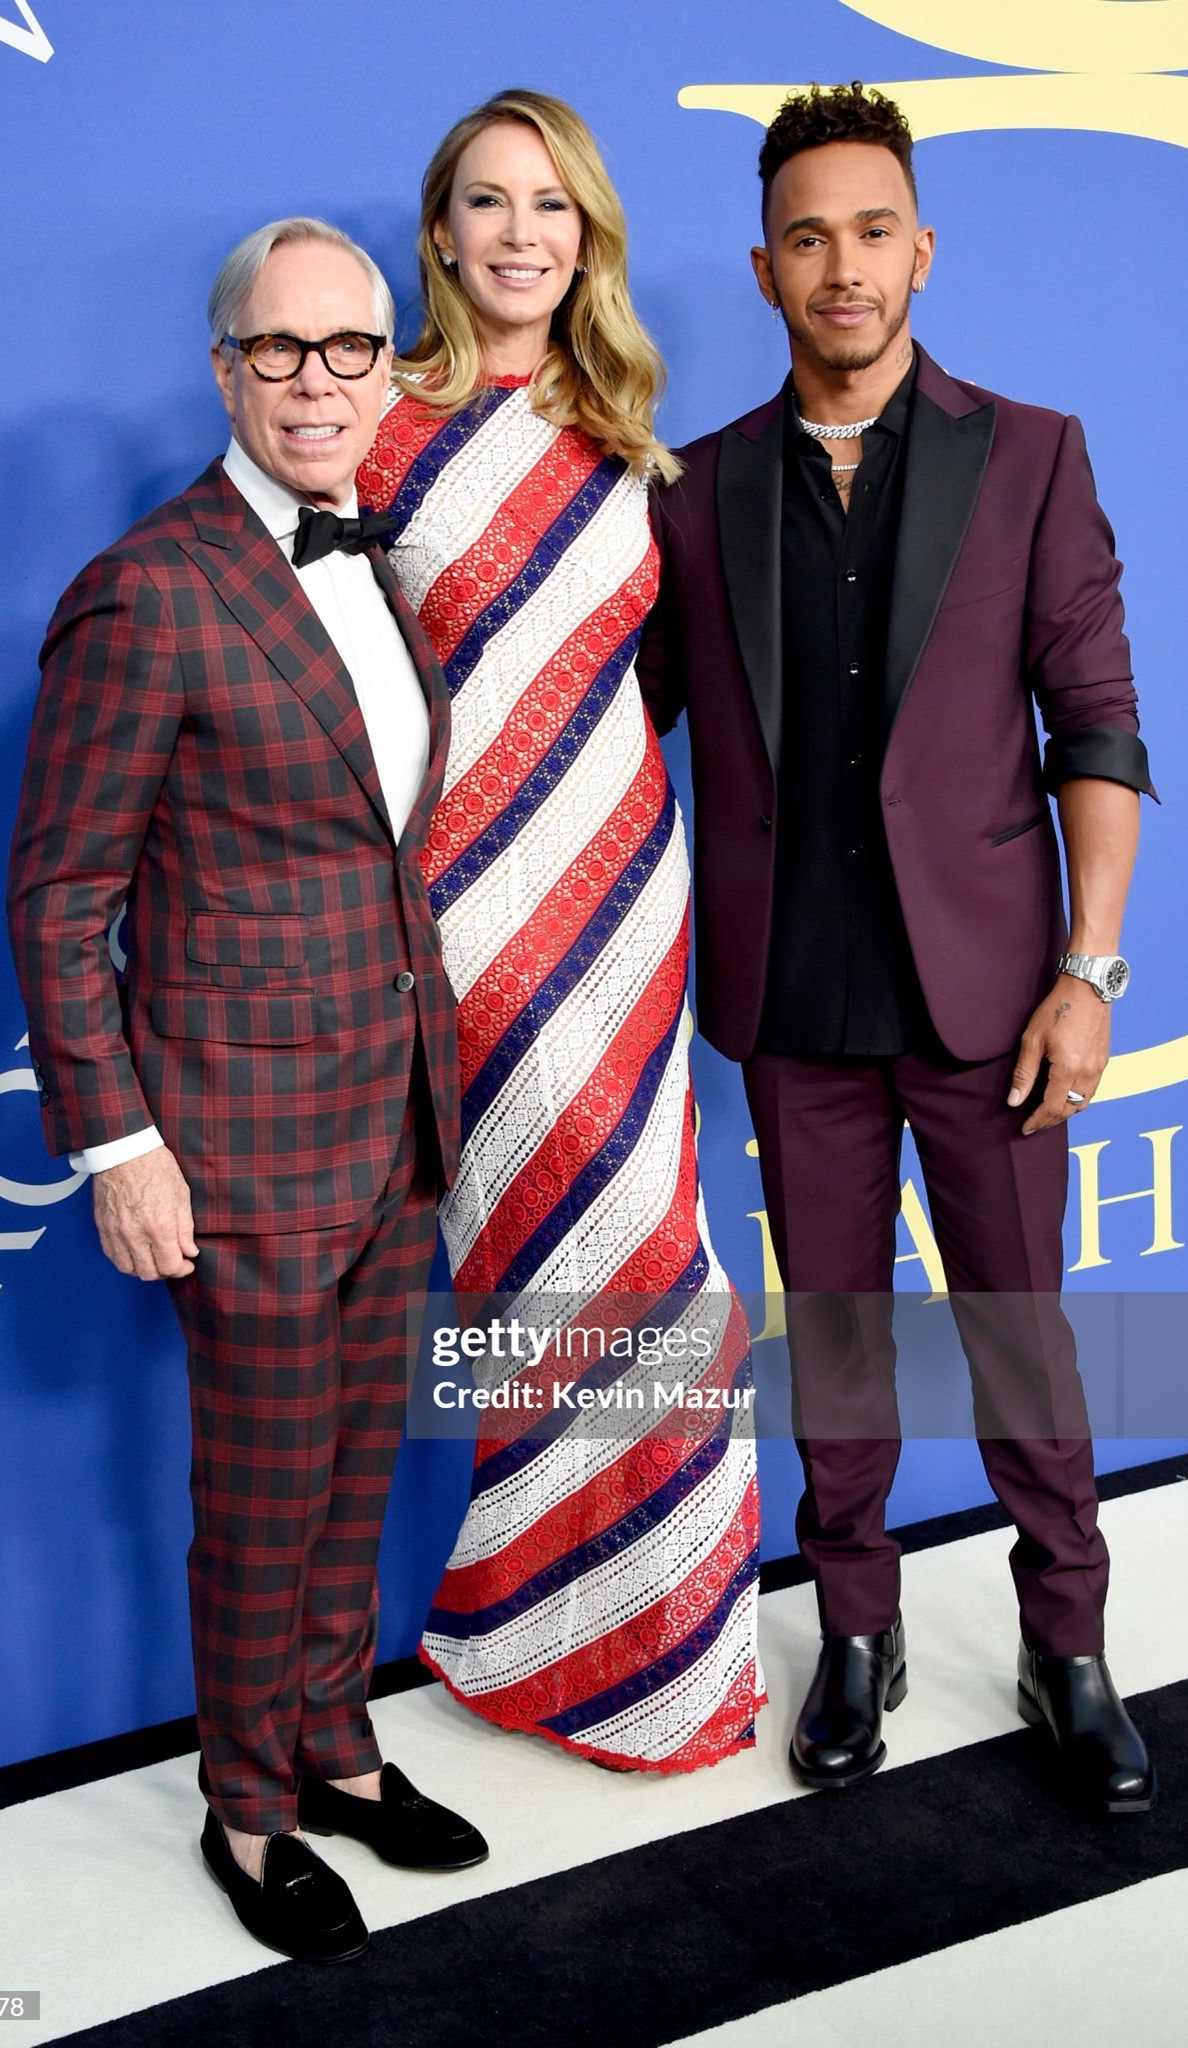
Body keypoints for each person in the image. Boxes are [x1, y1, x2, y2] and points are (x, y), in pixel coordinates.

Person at [638, 83, 1156, 1814]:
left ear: (919, 247)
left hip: (994, 999)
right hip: (793, 996)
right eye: (807, 238)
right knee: (837, 1339)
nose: (841, 267)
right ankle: (850, 1635)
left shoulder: (1030, 454)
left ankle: (1064, 1645)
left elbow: (1094, 724)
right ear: (766, 268)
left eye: (871, 231)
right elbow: (603, 731)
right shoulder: (692, 493)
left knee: (1021, 1333)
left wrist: (1085, 972)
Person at [7, 217, 488, 1965]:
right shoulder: (148, 587)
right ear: (224, 368)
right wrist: (119, 1142)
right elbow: (62, 894)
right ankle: (247, 1804)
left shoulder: (379, 560)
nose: (314, 383)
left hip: (395, 1114)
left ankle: (338, 1746)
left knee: (356, 1470)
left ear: (389, 370)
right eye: (278, 350)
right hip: (239, 1137)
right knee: (263, 1490)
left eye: (346, 349)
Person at [359, 89, 764, 1773]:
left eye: (550, 204)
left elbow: (651, 689)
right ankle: (532, 1625)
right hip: (460, 916)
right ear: (440, 232)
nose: (519, 231)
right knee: (530, 1272)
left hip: (622, 900)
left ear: (585, 234)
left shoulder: (631, 439)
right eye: (484, 201)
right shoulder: (369, 422)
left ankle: (662, 1651)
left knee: (650, 1264)